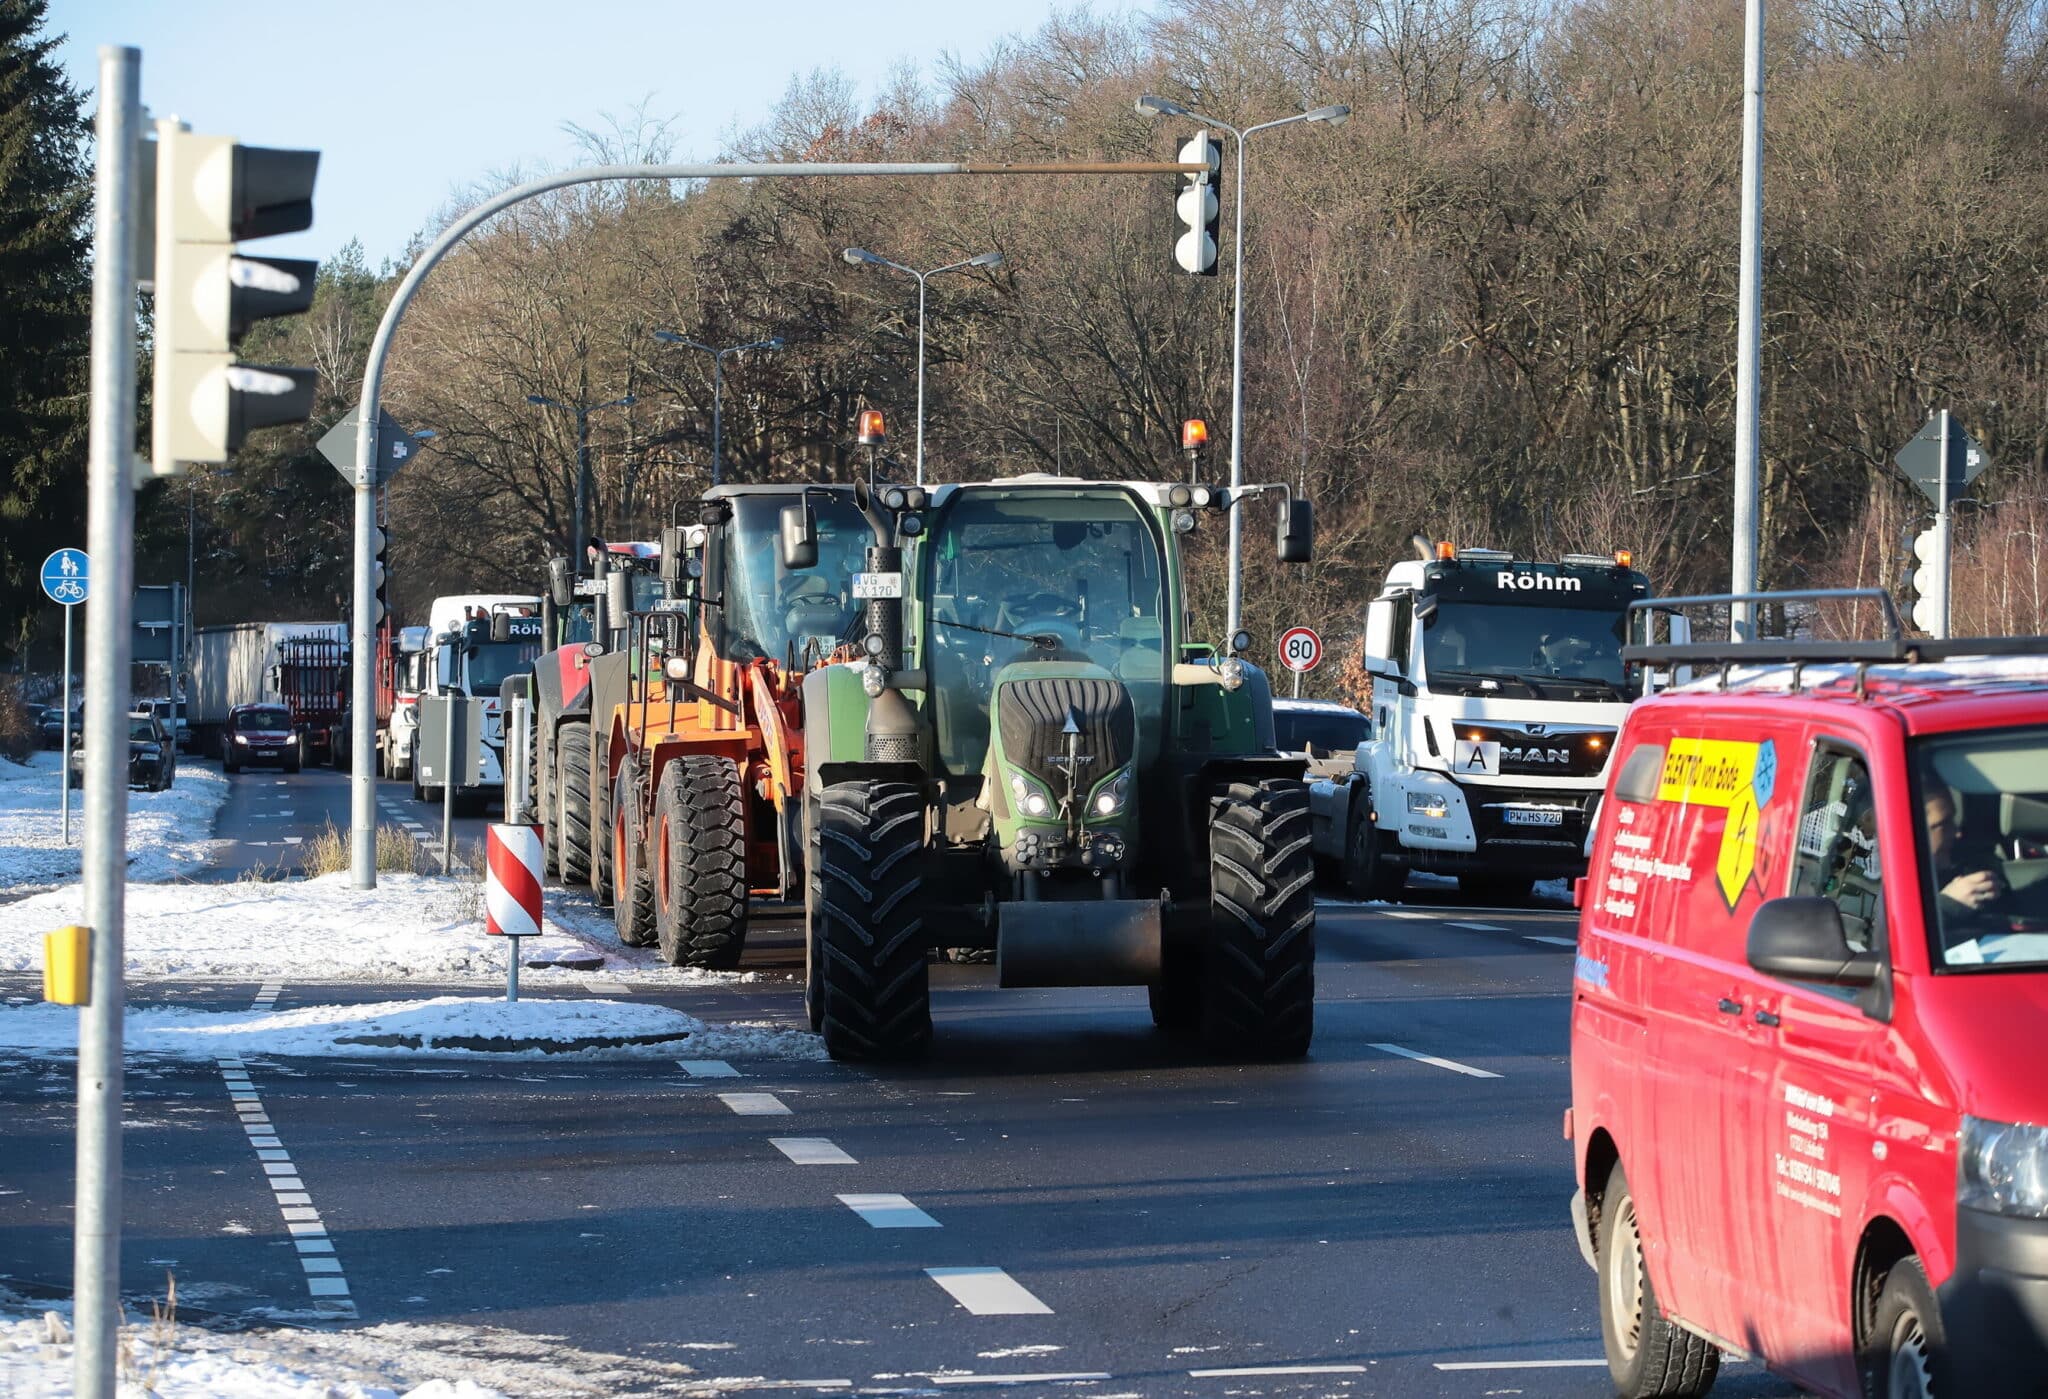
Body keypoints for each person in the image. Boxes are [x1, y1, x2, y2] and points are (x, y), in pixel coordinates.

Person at [1926, 788, 2004, 917]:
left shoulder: (1967, 863)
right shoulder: (1885, 885)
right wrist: (1948, 905)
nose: (1957, 833)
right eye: (1943, 824)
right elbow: (1886, 930)